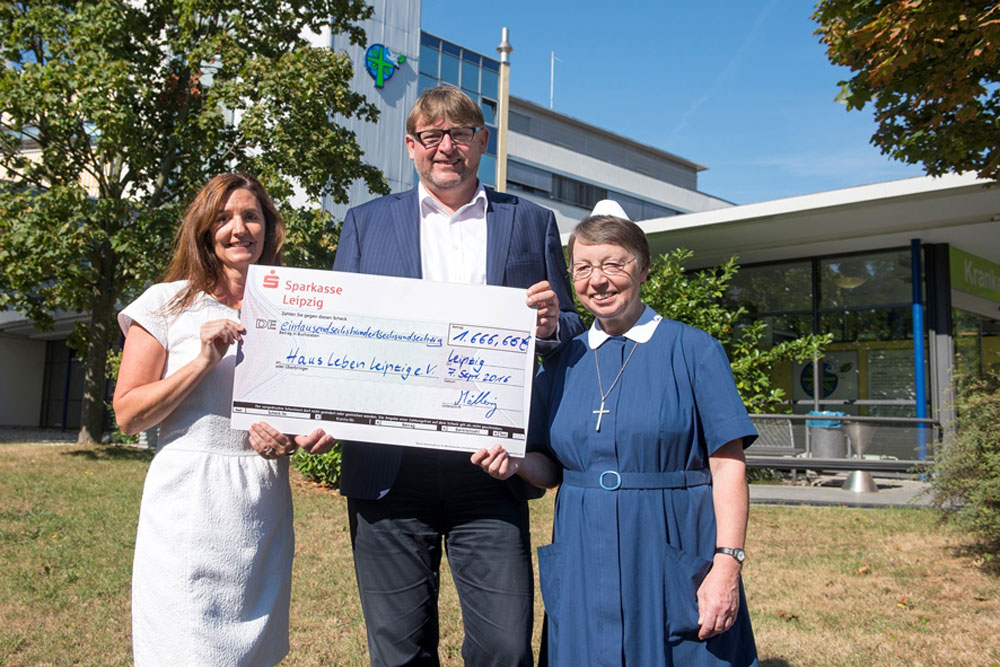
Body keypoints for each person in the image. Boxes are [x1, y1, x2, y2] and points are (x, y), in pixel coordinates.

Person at [330, 86, 584, 666]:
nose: (446, 147)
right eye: (432, 136)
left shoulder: (530, 221)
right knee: (397, 650)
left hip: (490, 466)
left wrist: (548, 325)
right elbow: (338, 332)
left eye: (460, 134)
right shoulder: (367, 224)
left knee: (503, 645)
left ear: (482, 143)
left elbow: (568, 325)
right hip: (389, 466)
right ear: (411, 146)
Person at [472, 202, 759, 666]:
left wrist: (727, 563)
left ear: (644, 269)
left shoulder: (694, 351)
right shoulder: (564, 361)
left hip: (668, 544)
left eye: (613, 263)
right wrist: (517, 462)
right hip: (585, 547)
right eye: (583, 267)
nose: (597, 280)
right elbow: (550, 468)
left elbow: (728, 466)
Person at [113, 173, 335, 666]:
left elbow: (301, 412)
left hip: (262, 502)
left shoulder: (292, 309)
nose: (239, 228)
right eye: (224, 217)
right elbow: (128, 413)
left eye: (251, 216)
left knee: (253, 654)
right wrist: (201, 361)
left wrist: (300, 437)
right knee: (187, 648)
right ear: (203, 230)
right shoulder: (167, 303)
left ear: (268, 227)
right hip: (190, 498)